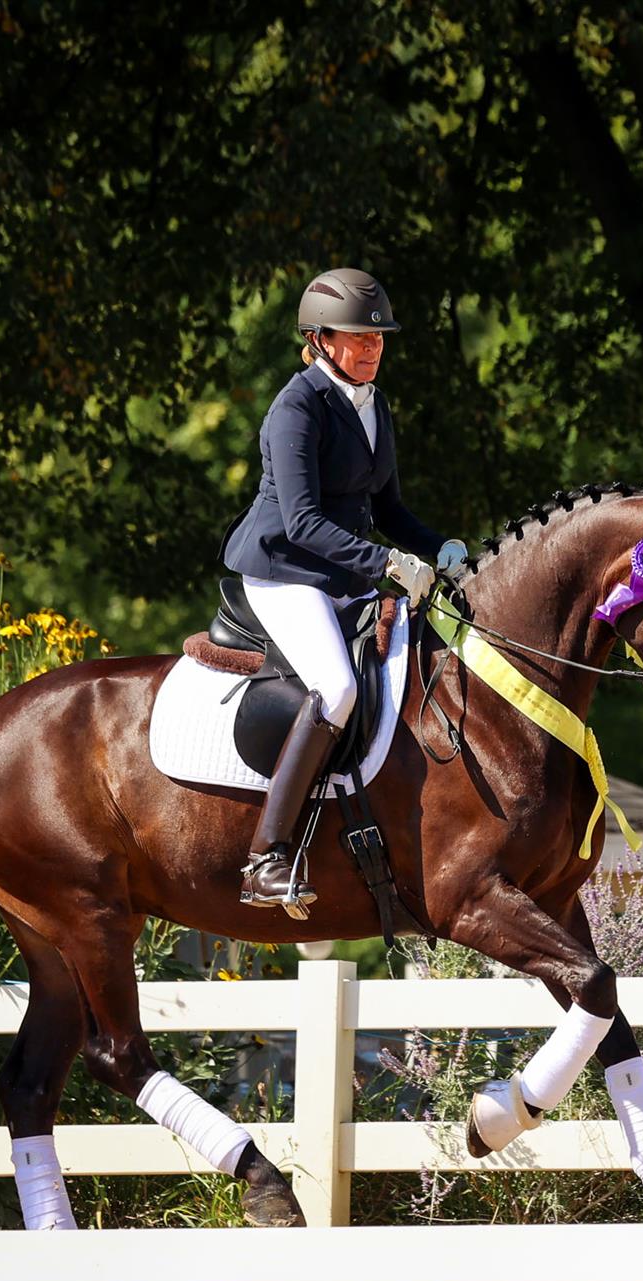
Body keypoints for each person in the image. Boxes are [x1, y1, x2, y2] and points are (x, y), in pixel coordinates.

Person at [220, 267, 466, 911]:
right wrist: (387, 564)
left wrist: (438, 545)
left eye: (378, 338)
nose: (371, 349)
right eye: (357, 338)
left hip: (342, 570)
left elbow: (387, 507)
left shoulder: (374, 403)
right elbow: (302, 522)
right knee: (339, 687)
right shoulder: (296, 407)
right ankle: (265, 858)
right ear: (319, 339)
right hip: (283, 570)